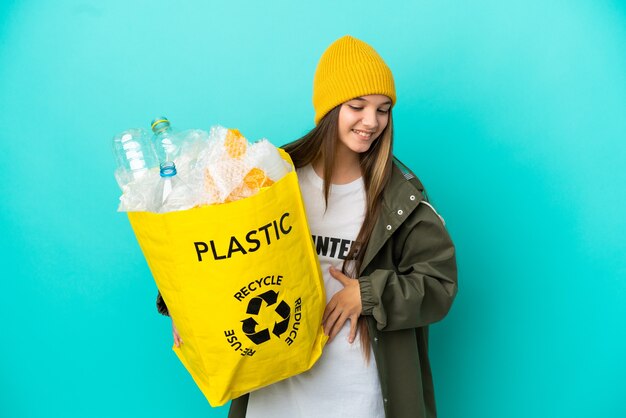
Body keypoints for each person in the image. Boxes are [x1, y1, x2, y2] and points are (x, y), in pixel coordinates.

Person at [157, 35, 457, 418]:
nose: (371, 122)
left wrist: (367, 294)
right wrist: (185, 309)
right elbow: (217, 250)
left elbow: (439, 284)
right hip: (277, 388)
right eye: (357, 106)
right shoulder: (270, 178)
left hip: (358, 390)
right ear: (329, 109)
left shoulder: (399, 195)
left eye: (383, 109)